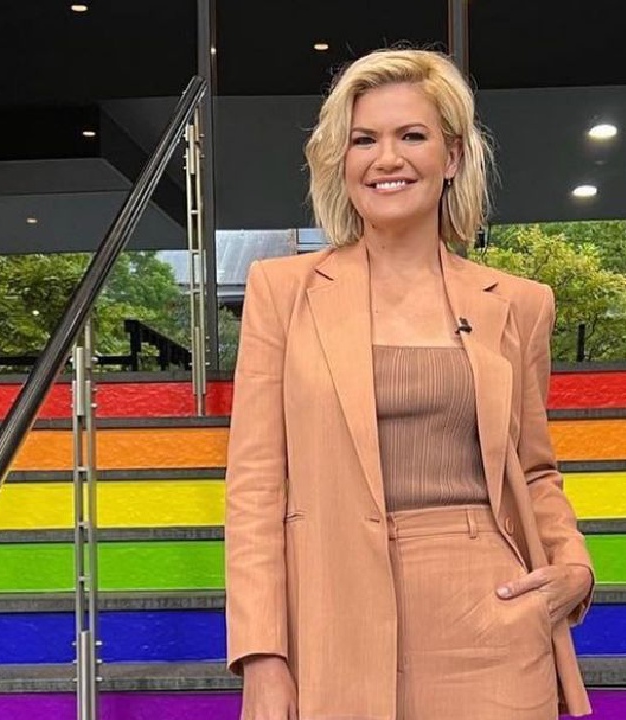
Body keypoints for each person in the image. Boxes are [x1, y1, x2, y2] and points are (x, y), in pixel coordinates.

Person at [224, 47, 595, 720]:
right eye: (363, 140)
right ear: (340, 160)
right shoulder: (282, 292)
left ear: (452, 156)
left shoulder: (518, 304)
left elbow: (534, 469)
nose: (386, 158)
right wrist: (262, 656)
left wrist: (573, 565)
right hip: (331, 624)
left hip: (492, 620)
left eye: (411, 136)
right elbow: (254, 488)